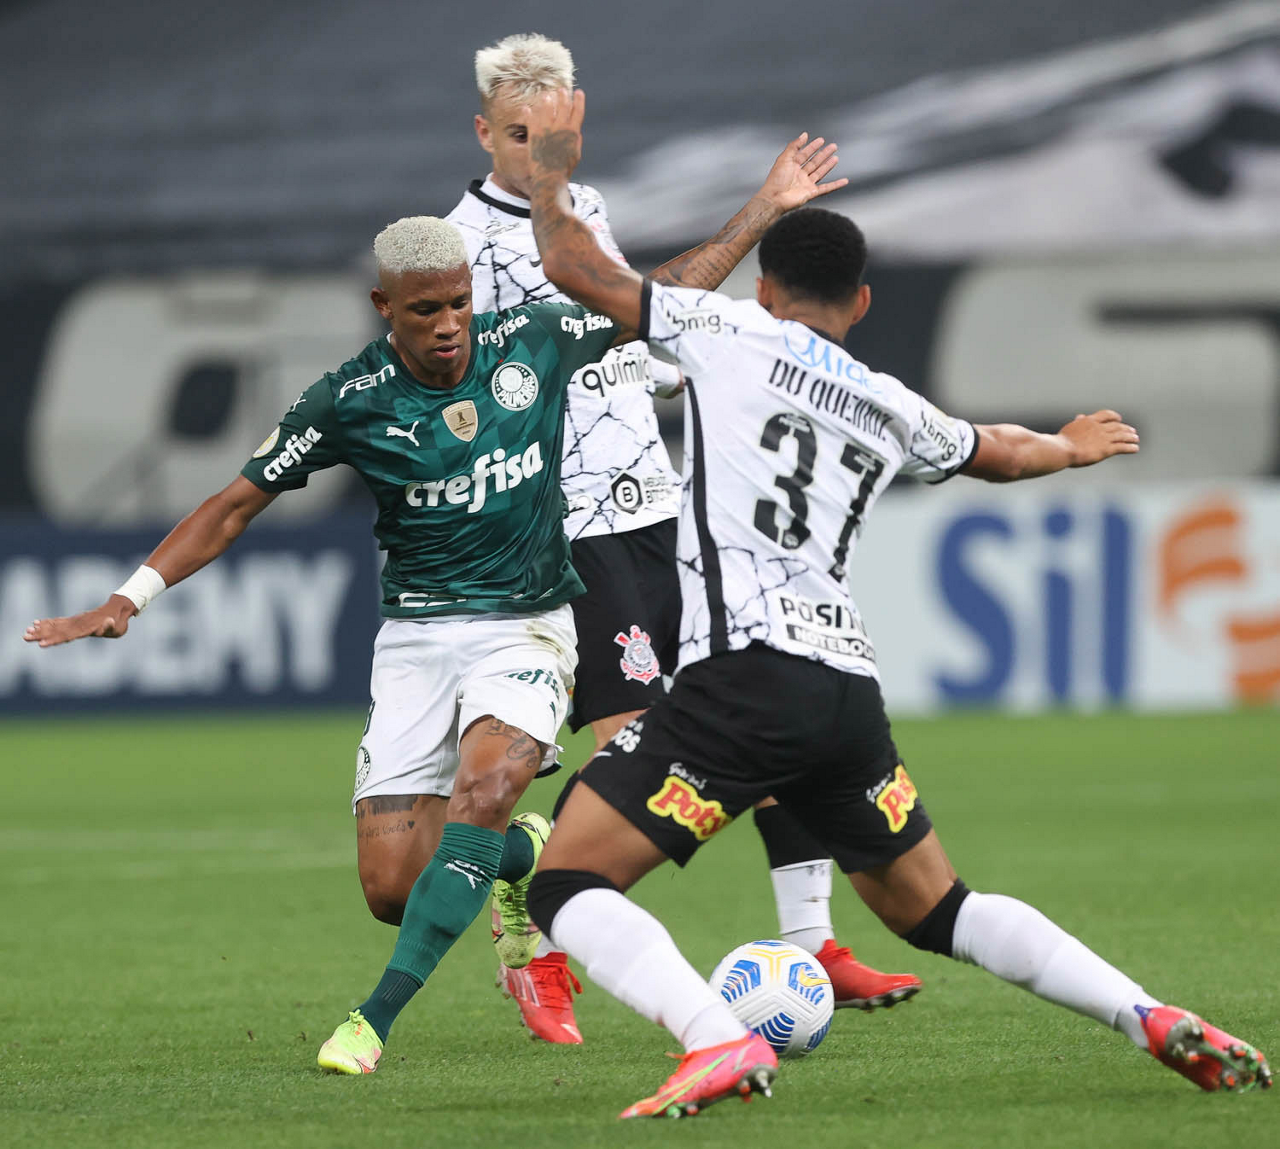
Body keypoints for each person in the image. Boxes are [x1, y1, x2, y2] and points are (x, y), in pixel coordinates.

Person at [26, 120, 849, 1074]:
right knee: (393, 885)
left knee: (487, 787)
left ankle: (370, 1020)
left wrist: (763, 208)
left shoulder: (532, 342)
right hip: (418, 641)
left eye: (459, 302)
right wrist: (131, 596)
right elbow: (234, 502)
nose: (450, 323)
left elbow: (663, 295)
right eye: (426, 310)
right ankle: (521, 859)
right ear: (386, 306)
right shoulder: (348, 401)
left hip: (529, 628)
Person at [515, 89, 1273, 1117]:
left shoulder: (725, 328)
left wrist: (551, 175)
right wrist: (1070, 445)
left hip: (741, 676)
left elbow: (577, 269)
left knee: (564, 883)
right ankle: (1144, 1013)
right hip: (844, 692)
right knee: (938, 906)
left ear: (765, 287)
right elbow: (998, 451)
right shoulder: (887, 401)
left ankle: (715, 1041)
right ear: (861, 303)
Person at [445, 31, 920, 1044]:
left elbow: (646, 344)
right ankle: (537, 932)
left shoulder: (582, 208)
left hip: (662, 506)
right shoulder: (465, 246)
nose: (543, 152)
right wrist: (760, 214)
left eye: (557, 132)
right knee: (631, 738)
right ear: (485, 132)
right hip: (571, 520)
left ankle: (811, 942)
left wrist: (673, 358)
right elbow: (628, 316)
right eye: (524, 135)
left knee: (765, 693)